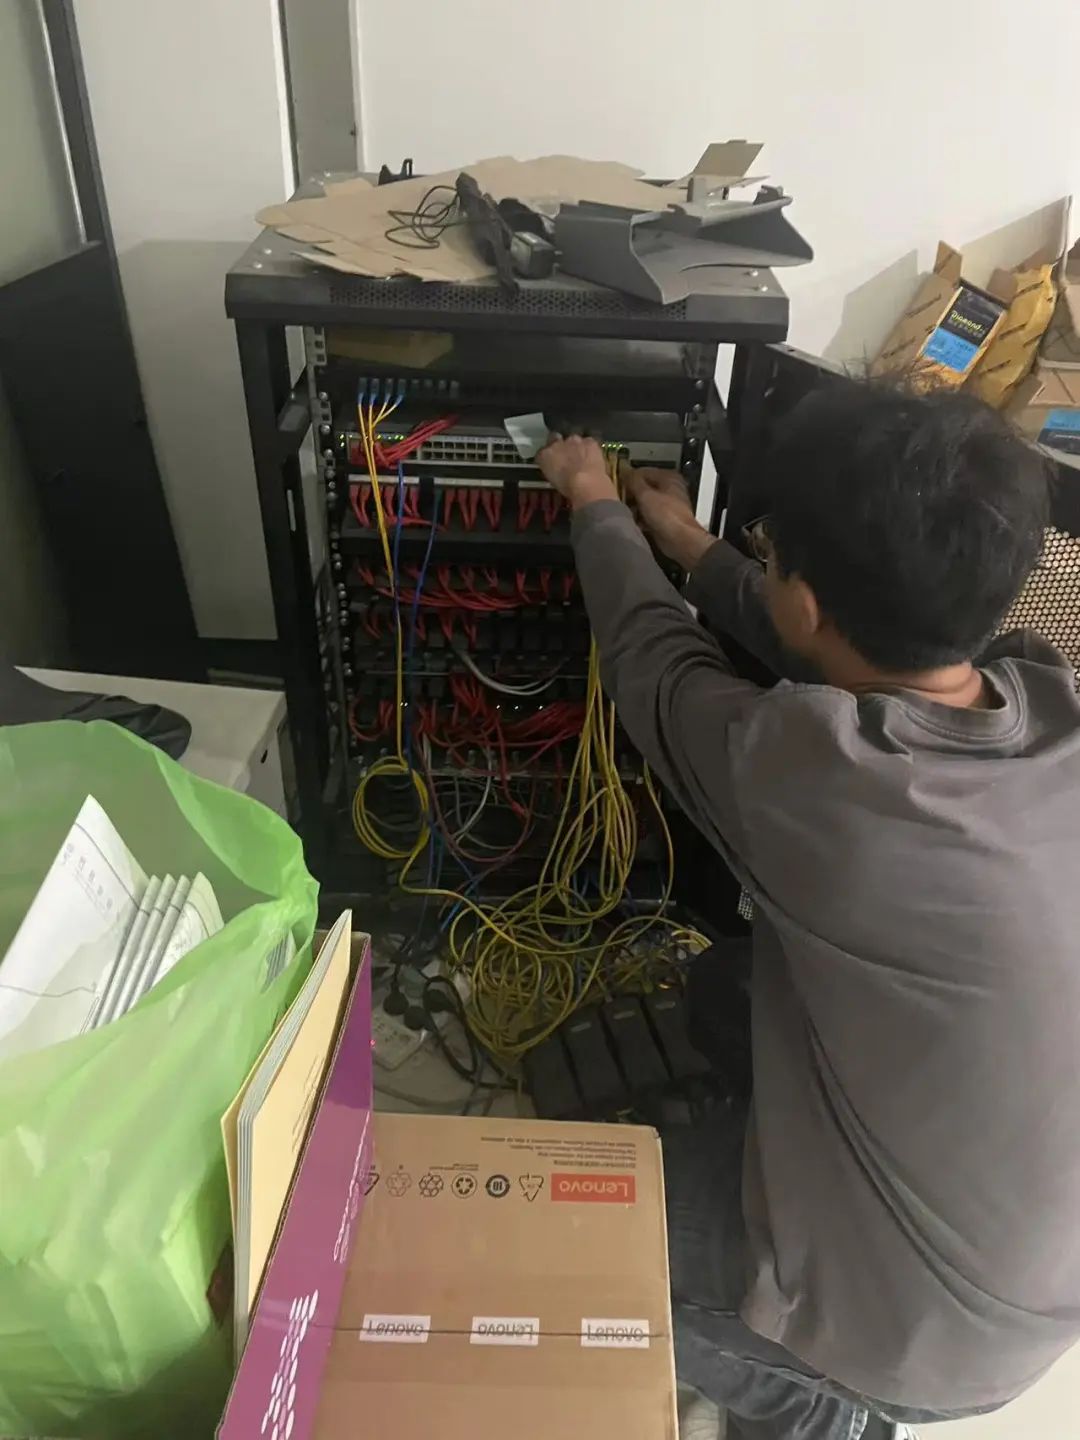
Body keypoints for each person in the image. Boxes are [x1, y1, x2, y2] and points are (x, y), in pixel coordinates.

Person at [536, 383, 1080, 1440]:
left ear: (810, 600)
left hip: (929, 1335)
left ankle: (822, 1402)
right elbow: (862, 659)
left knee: (567, 1250)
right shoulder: (1046, 701)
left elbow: (654, 665)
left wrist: (594, 503)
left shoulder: (820, 786)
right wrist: (695, 548)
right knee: (724, 988)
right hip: (1036, 1264)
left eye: (773, 553)